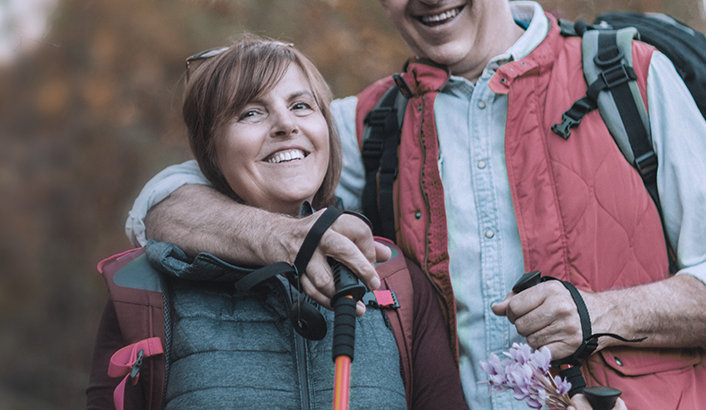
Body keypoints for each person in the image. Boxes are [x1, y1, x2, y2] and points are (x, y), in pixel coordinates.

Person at [123, 0, 706, 410]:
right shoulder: (368, 124)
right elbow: (164, 203)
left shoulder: (627, 79)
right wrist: (284, 237)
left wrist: (598, 314)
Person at [87, 39, 468, 409]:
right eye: (250, 112)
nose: (285, 124)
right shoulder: (144, 291)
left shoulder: (399, 282)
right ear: (211, 153)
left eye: (301, 105)